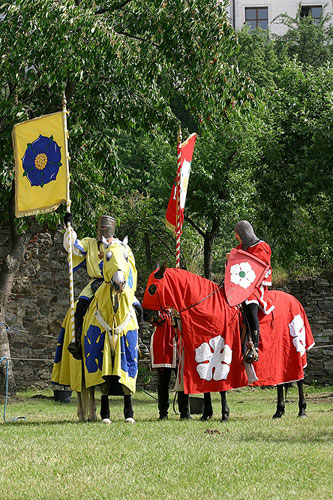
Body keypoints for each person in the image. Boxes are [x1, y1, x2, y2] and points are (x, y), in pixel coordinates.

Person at [63, 212, 116, 359]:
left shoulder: (118, 246)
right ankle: (78, 342)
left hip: (115, 283)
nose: (102, 230)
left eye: (104, 227)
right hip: (95, 283)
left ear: (111, 229)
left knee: (135, 306)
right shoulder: (90, 243)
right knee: (80, 307)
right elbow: (72, 247)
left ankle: (137, 342)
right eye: (100, 227)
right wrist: (69, 228)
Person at [227, 220, 274, 362]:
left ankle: (254, 346)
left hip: (255, 286)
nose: (236, 237)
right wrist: (229, 260)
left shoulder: (262, 246)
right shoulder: (240, 247)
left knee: (250, 304)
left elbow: (258, 267)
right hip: (239, 285)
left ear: (244, 233)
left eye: (237, 234)